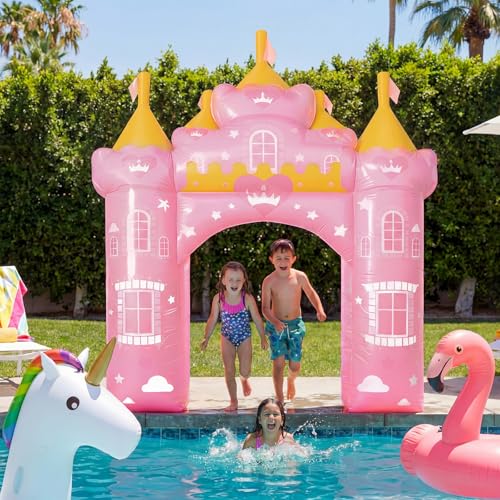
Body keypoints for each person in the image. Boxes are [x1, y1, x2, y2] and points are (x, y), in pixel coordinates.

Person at [261, 239, 327, 404]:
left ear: (293, 259)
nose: (283, 262)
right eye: (278, 258)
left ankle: (291, 380)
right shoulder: (269, 281)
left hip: (295, 325)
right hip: (276, 326)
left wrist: (319, 309)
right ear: (271, 260)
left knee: (295, 365)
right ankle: (279, 398)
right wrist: (275, 322)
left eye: (286, 258)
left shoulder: (300, 277)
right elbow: (265, 308)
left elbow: (311, 293)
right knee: (278, 363)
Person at [201, 261, 268, 412]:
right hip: (227, 337)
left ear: (244, 281)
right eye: (230, 279)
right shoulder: (218, 299)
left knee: (245, 370)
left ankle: (244, 379)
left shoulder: (247, 298)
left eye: (238, 280)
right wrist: (206, 337)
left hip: (244, 337)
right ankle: (233, 401)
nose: (234, 283)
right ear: (223, 280)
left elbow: (257, 318)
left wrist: (263, 337)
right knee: (229, 370)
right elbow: (212, 319)